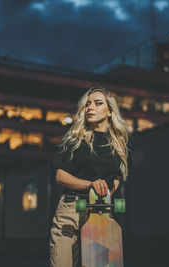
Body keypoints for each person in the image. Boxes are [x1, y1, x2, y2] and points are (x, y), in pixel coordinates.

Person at [49, 86, 132, 267]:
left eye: (97, 103)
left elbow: (118, 174)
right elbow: (60, 176)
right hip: (71, 209)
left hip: (101, 210)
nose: (90, 108)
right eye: (87, 104)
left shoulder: (119, 143)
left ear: (110, 111)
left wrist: (111, 187)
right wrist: (90, 184)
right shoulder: (74, 139)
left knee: (101, 265)